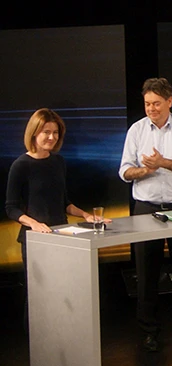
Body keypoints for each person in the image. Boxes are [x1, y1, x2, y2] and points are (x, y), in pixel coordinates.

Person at [118, 77, 172, 352]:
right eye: (147, 104)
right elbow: (124, 171)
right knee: (146, 272)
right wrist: (145, 171)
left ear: (170, 101)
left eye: (156, 103)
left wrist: (162, 163)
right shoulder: (136, 130)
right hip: (146, 208)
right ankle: (149, 332)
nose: (151, 109)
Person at [6, 109, 108, 316]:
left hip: (63, 236)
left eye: (55, 133)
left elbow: (64, 203)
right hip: (36, 239)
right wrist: (33, 223)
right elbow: (11, 208)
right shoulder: (20, 165)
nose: (52, 137)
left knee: (65, 292)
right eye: (46, 132)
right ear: (34, 133)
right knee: (38, 296)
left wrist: (87, 216)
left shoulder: (58, 162)